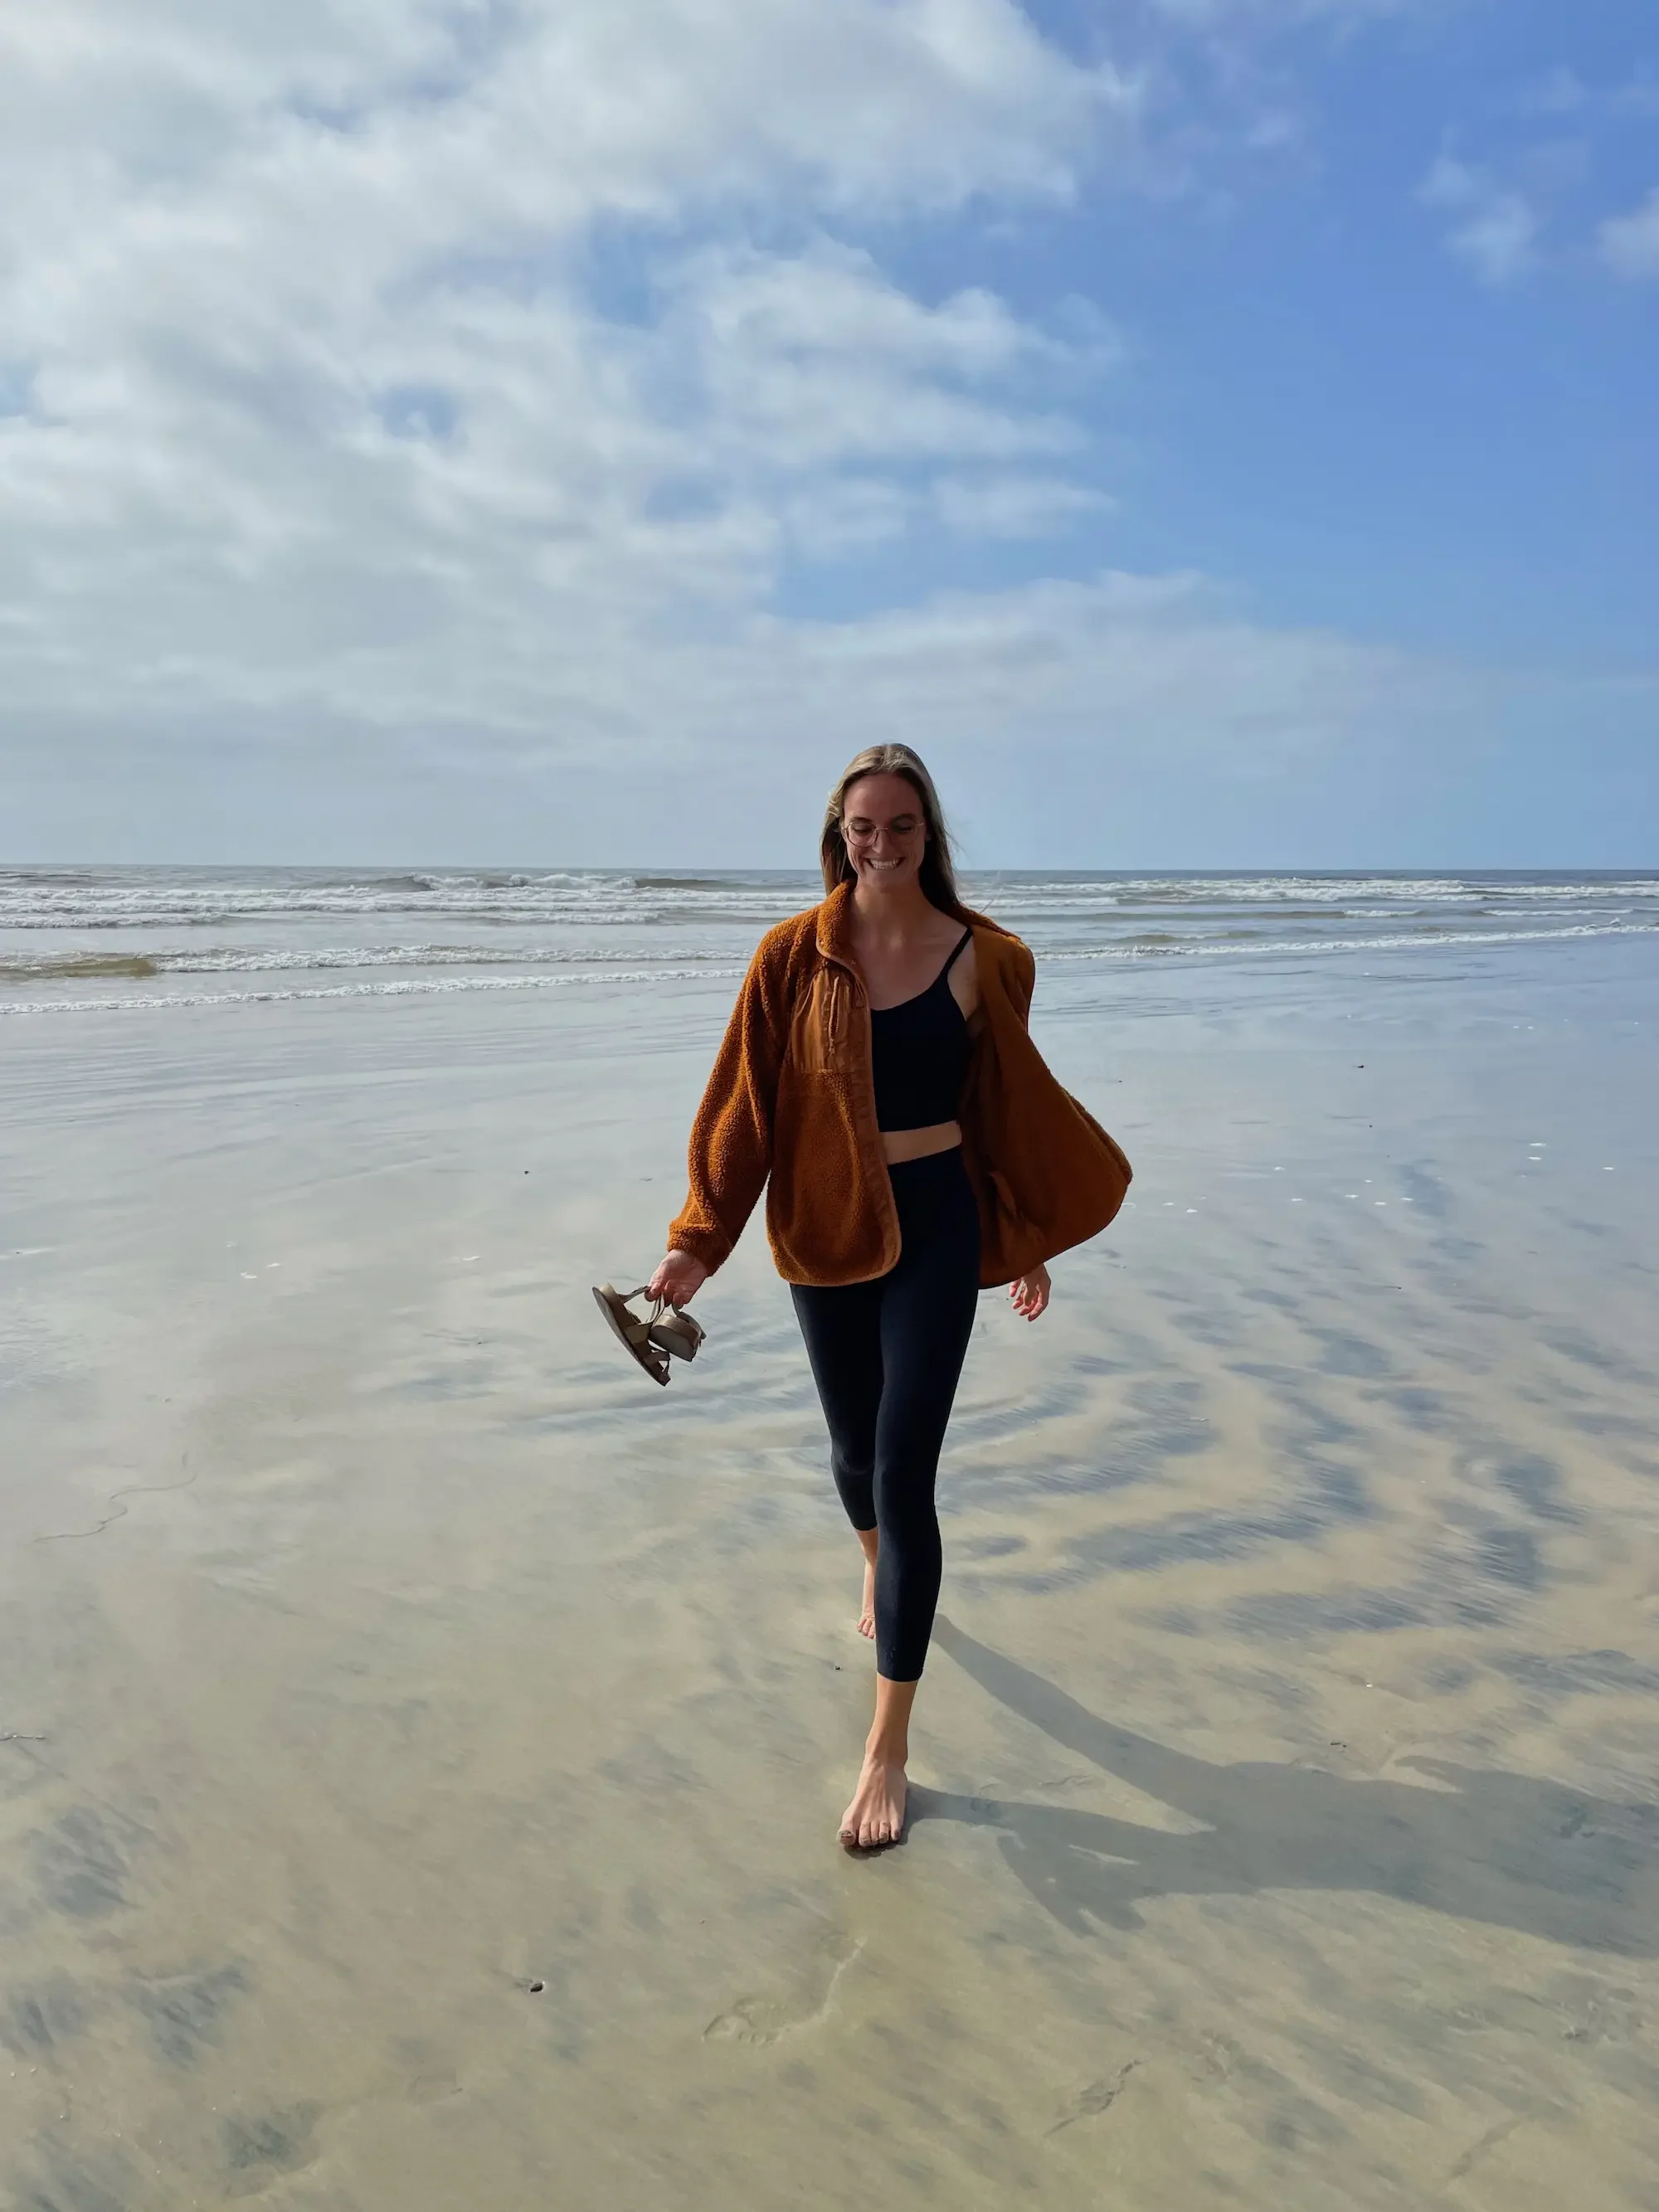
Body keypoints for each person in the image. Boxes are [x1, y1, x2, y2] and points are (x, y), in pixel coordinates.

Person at [647, 746, 1131, 1851]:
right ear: (838, 832)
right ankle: (874, 1555)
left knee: (907, 1469)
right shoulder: (792, 958)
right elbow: (741, 1113)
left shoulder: (985, 958)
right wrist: (693, 1246)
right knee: (856, 1455)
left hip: (939, 1221)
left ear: (929, 832)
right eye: (864, 825)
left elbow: (1007, 1100)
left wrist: (1026, 1235)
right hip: (823, 1224)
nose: (883, 842)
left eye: (902, 824)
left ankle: (889, 1744)